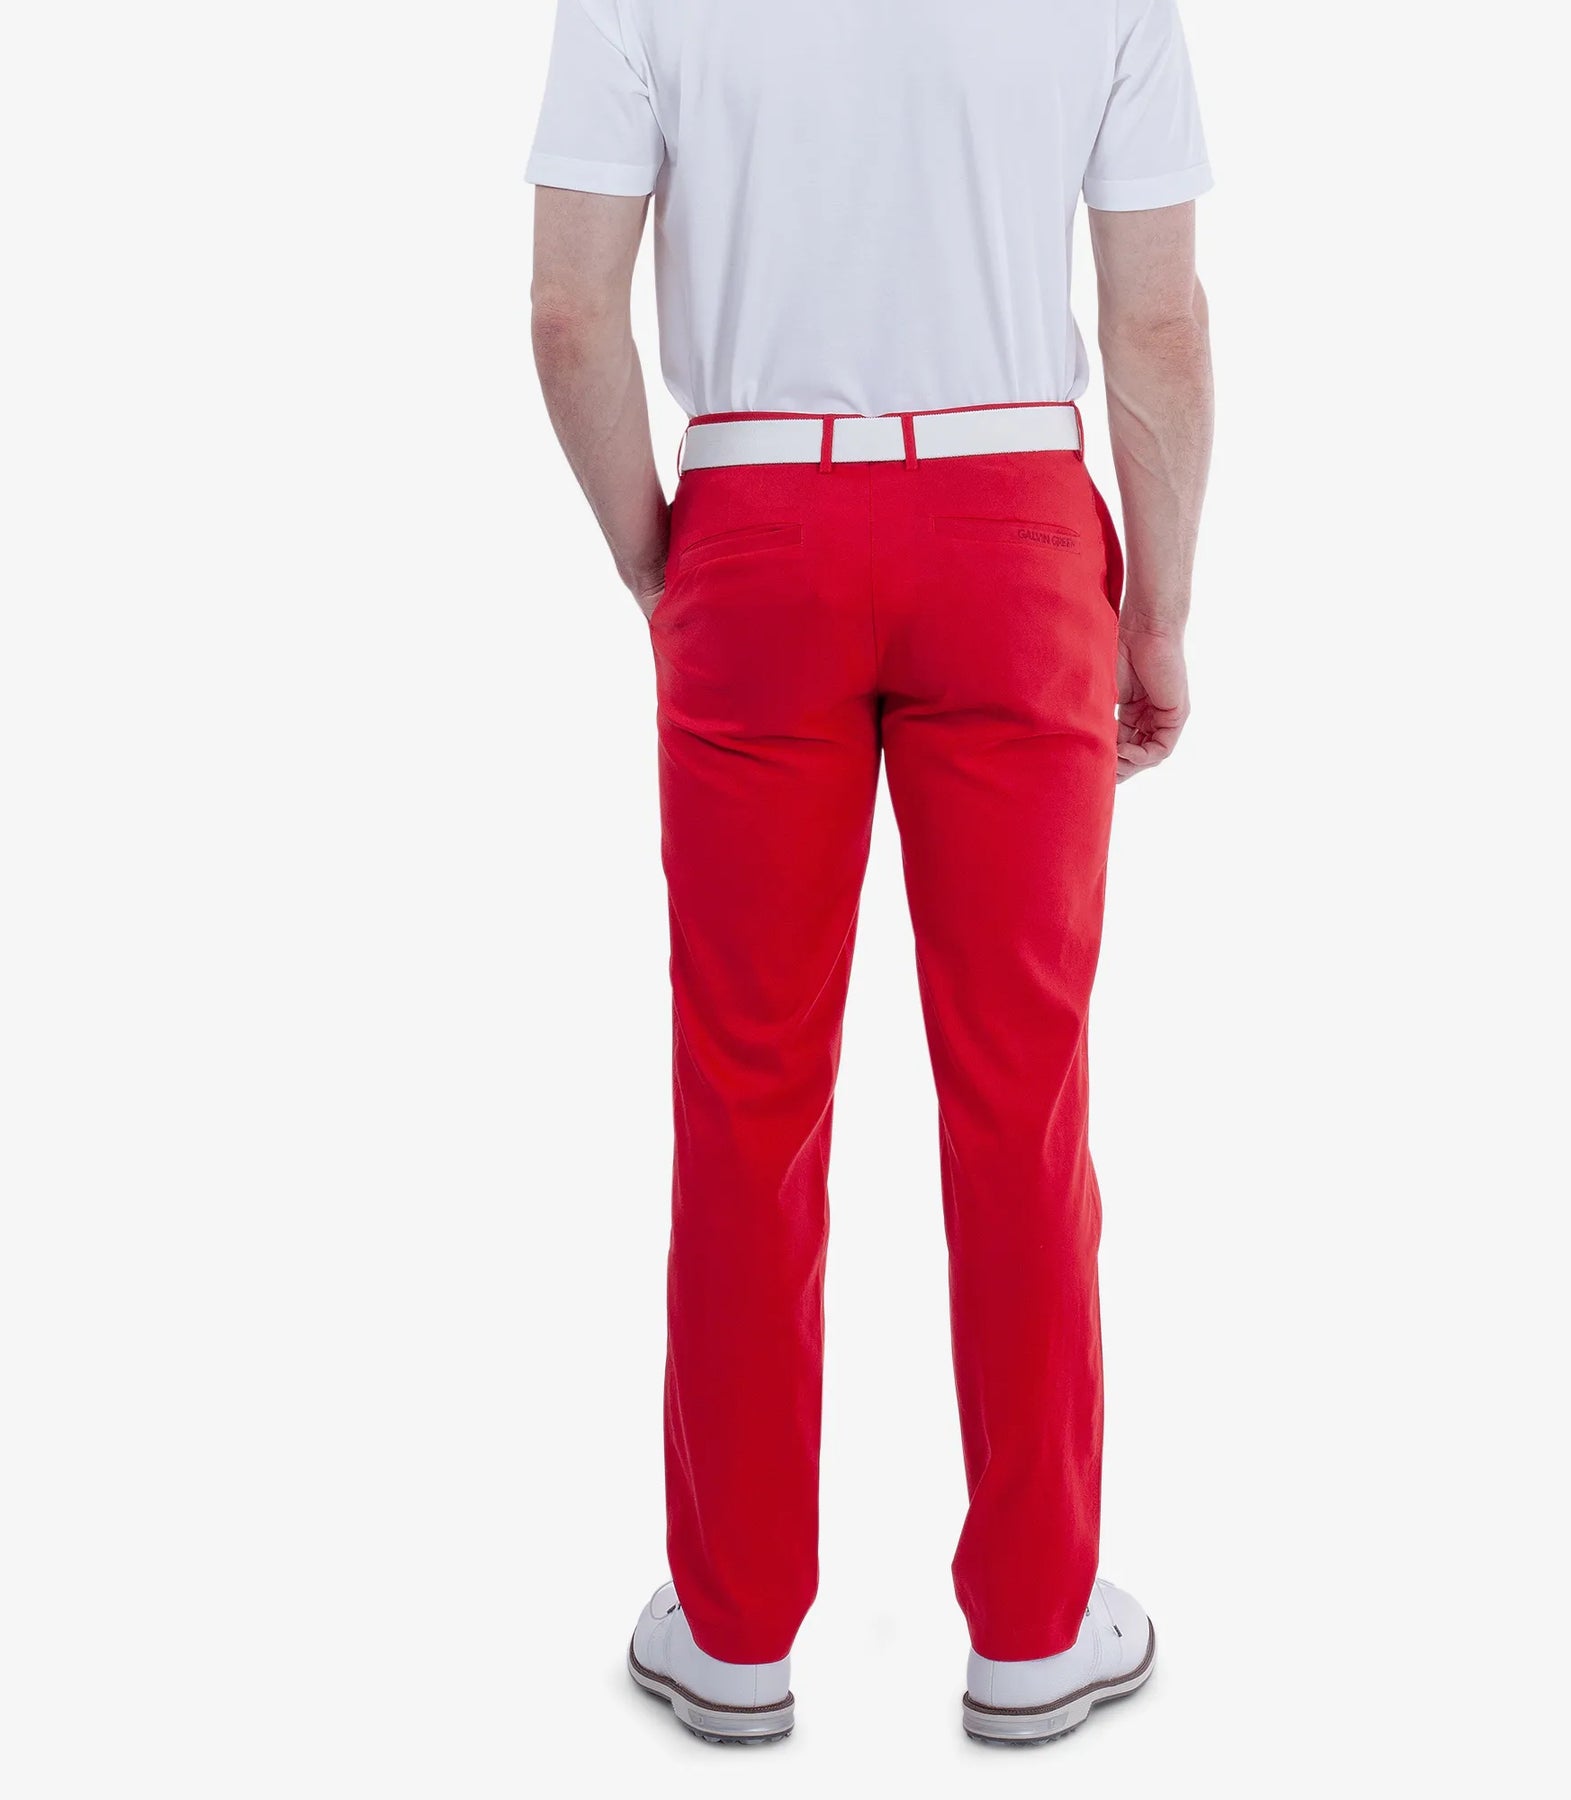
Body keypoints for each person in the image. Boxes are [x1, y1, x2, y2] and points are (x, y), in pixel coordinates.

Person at [526, 0, 1214, 1747]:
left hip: (759, 523)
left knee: (745, 1096)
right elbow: (1155, 323)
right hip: (1012, 532)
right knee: (1024, 1097)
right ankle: (1038, 1631)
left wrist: (664, 565)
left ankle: (732, 1632)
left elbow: (569, 315)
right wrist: (1158, 614)